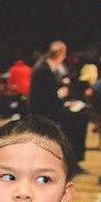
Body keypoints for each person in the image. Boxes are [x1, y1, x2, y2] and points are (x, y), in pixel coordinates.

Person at [30, 40, 86, 174]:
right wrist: (59, 94)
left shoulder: (53, 68)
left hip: (52, 105)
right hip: (43, 109)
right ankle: (73, 159)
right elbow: (41, 96)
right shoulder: (43, 70)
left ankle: (73, 159)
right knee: (78, 120)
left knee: (80, 116)